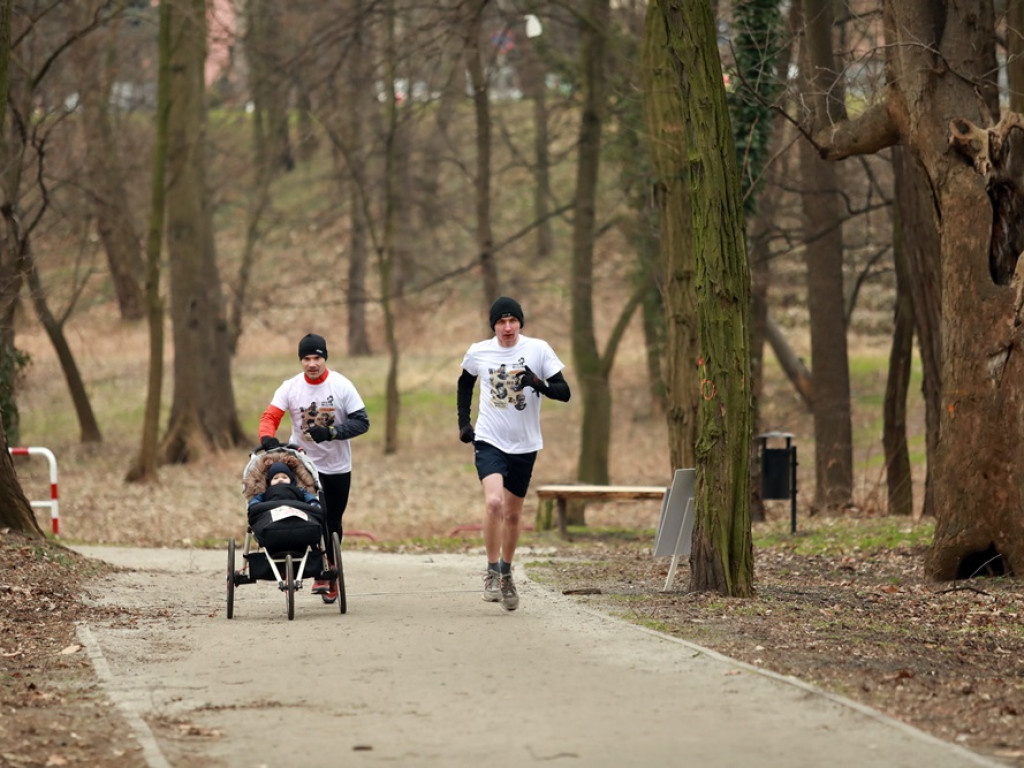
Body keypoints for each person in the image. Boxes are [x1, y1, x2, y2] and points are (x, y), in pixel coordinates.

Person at [457, 296, 570, 611]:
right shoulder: (479, 351)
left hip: (525, 444)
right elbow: (464, 383)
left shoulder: (538, 349)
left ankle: (507, 572)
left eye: (512, 321)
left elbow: (564, 392)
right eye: (501, 322)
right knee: (494, 503)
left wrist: (537, 382)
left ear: (520, 323)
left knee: (514, 513)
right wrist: (464, 423)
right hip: (490, 439)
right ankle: (491, 570)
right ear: (493, 325)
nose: (507, 327)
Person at [258, 333, 369, 603]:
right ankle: (303, 569)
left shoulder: (341, 385)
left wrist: (331, 432)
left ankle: (329, 574)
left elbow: (362, 422)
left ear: (325, 358)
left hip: (337, 467)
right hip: (303, 465)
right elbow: (270, 416)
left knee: (331, 521)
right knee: (307, 517)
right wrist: (267, 438)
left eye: (317, 357)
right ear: (301, 361)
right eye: (306, 358)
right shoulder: (291, 387)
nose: (311, 363)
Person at [248, 461, 320, 509]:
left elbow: (308, 496)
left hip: (296, 509)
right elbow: (256, 500)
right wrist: (255, 506)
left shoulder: (298, 489)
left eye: (284, 477)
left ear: (291, 480)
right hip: (272, 511)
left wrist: (313, 502)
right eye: (275, 478)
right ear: (269, 482)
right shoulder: (266, 491)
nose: (280, 479)